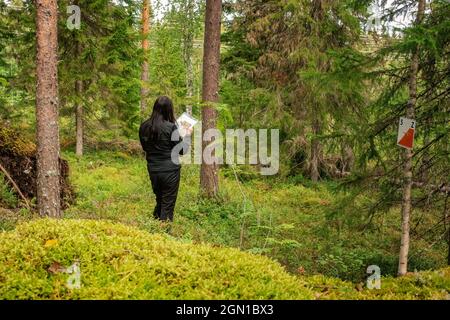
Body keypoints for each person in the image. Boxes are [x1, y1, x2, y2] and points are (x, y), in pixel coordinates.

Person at [139, 96, 191, 222]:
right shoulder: (171, 127)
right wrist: (187, 135)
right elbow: (182, 150)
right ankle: (163, 236)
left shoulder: (144, 126)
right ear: (169, 110)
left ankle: (154, 230)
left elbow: (145, 148)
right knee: (167, 204)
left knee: (160, 200)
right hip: (170, 171)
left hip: (153, 170)